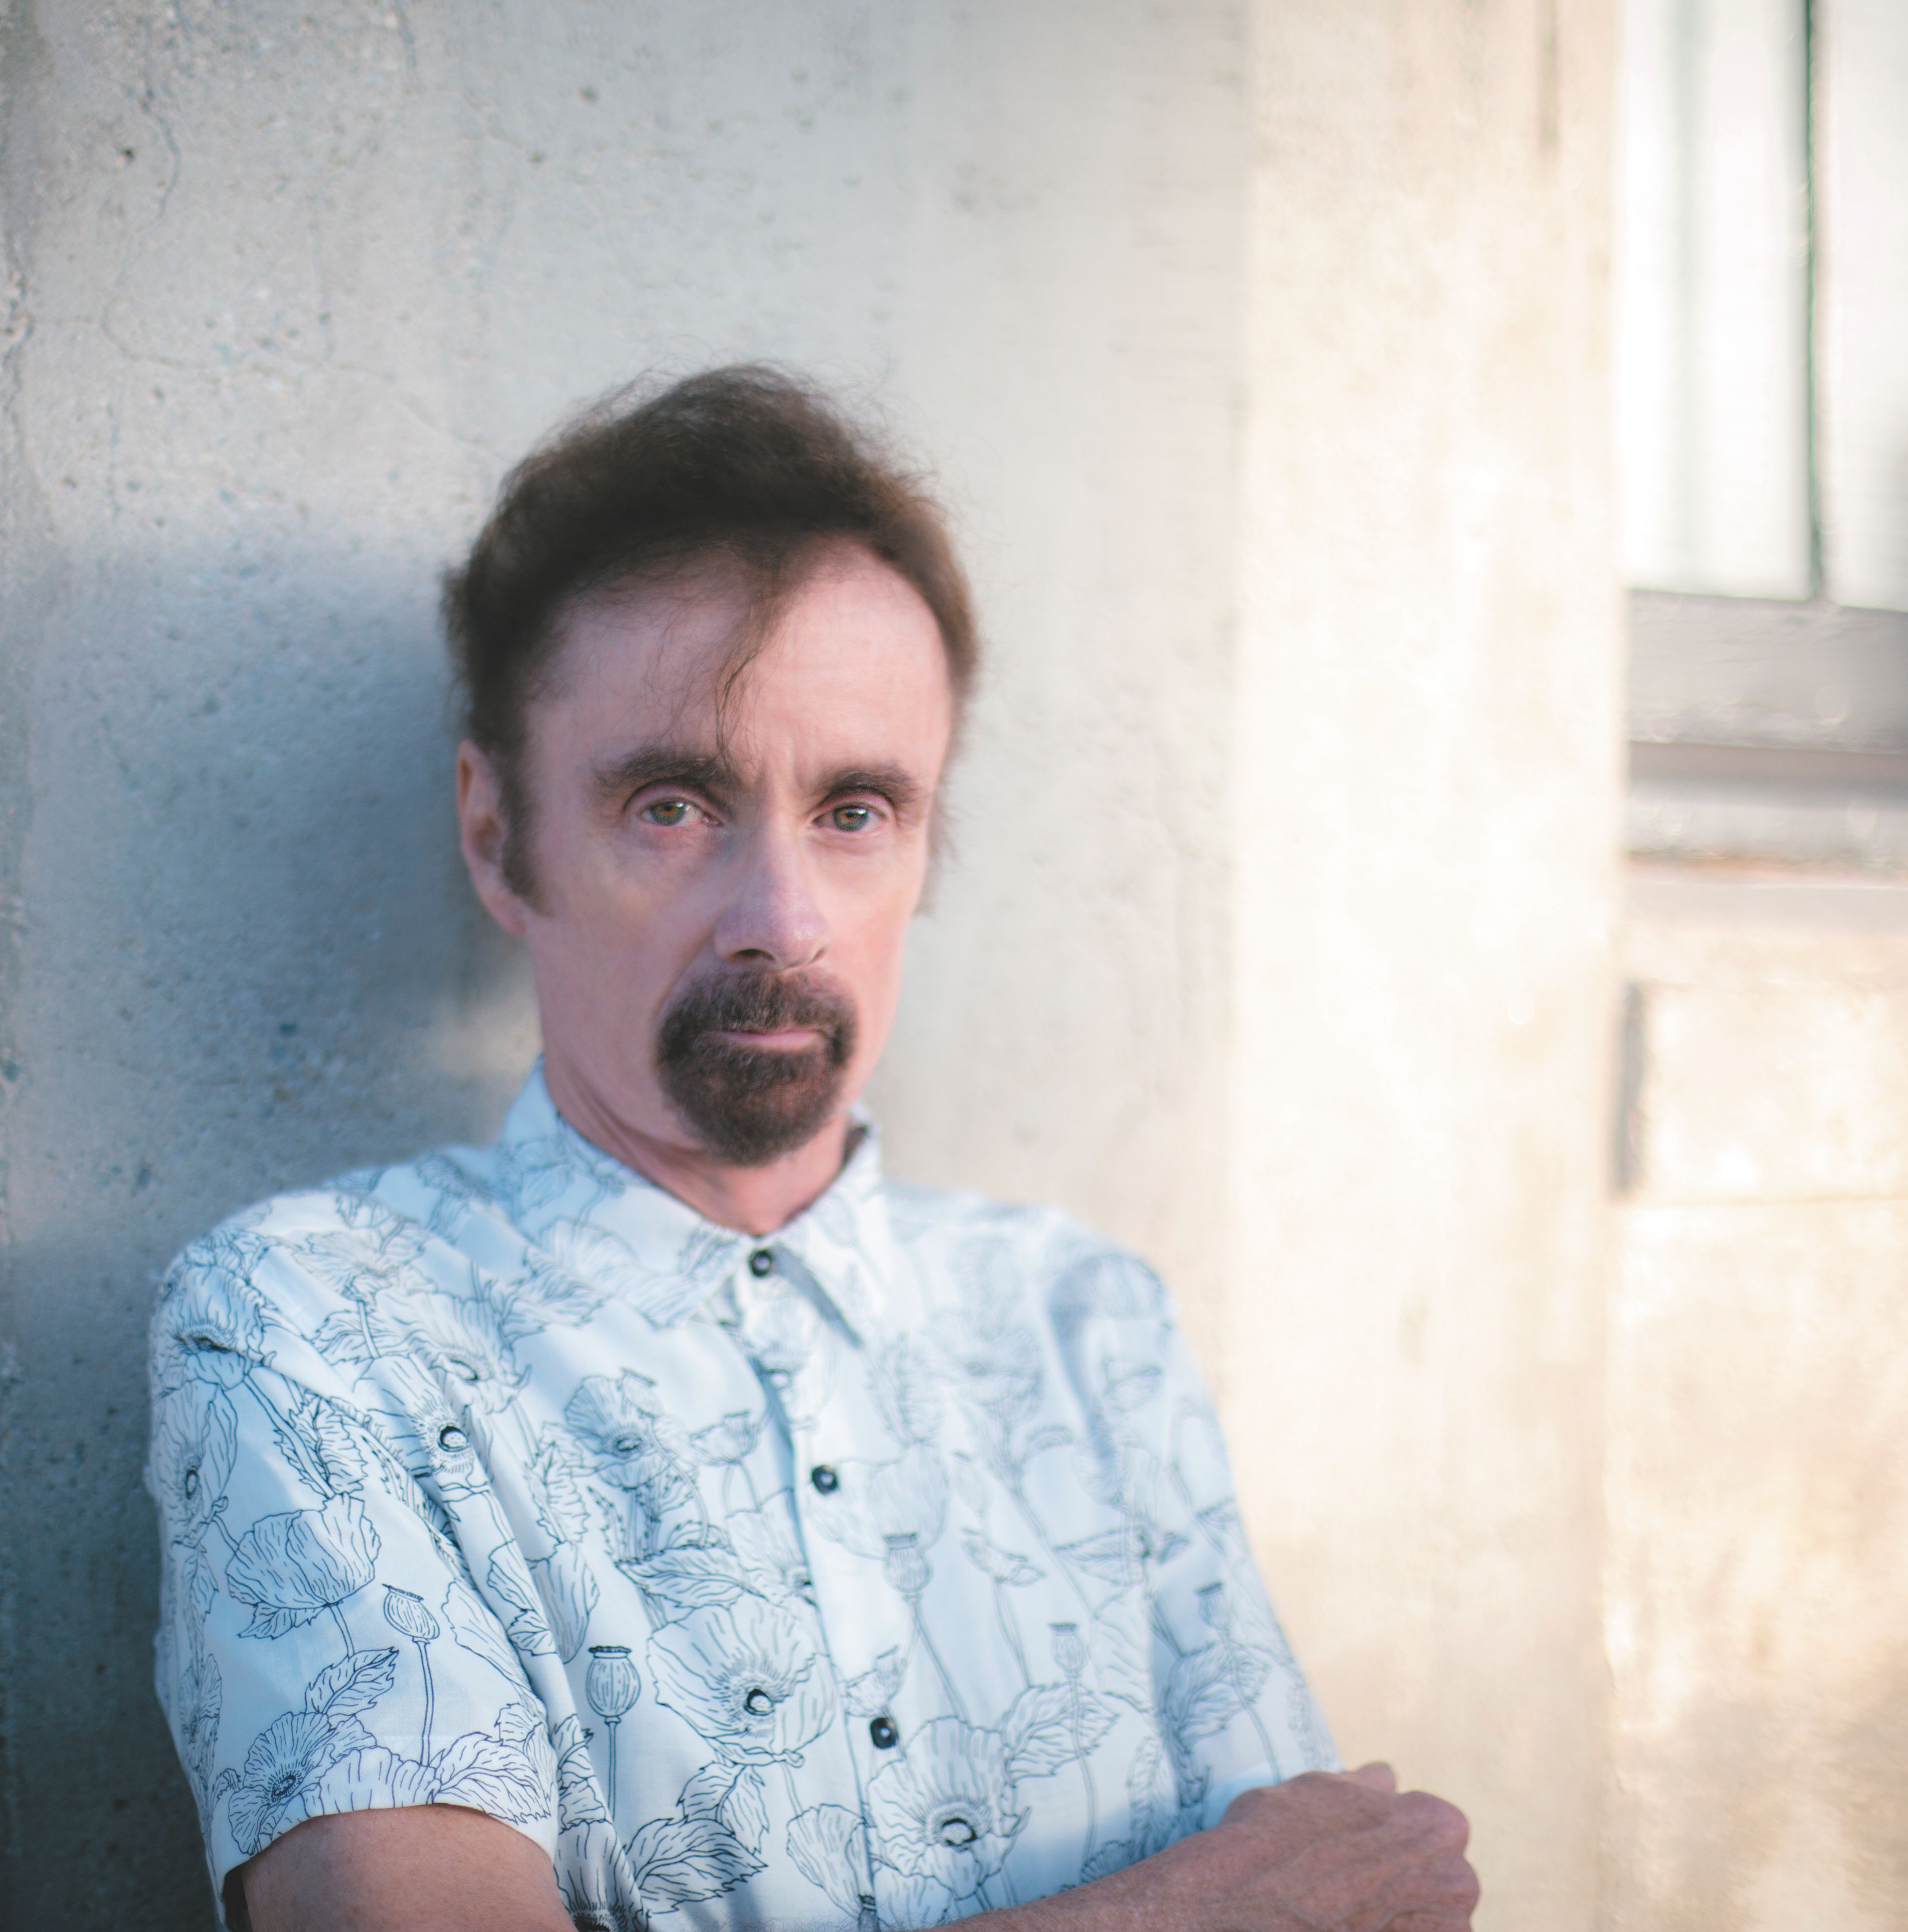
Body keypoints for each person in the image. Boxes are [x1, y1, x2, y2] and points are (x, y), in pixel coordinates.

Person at [146, 367, 1476, 1932]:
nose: (782, 922)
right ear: (499, 836)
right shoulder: (318, 1328)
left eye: (854, 811)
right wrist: (1188, 1915)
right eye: (672, 805)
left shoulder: (1080, 1320)